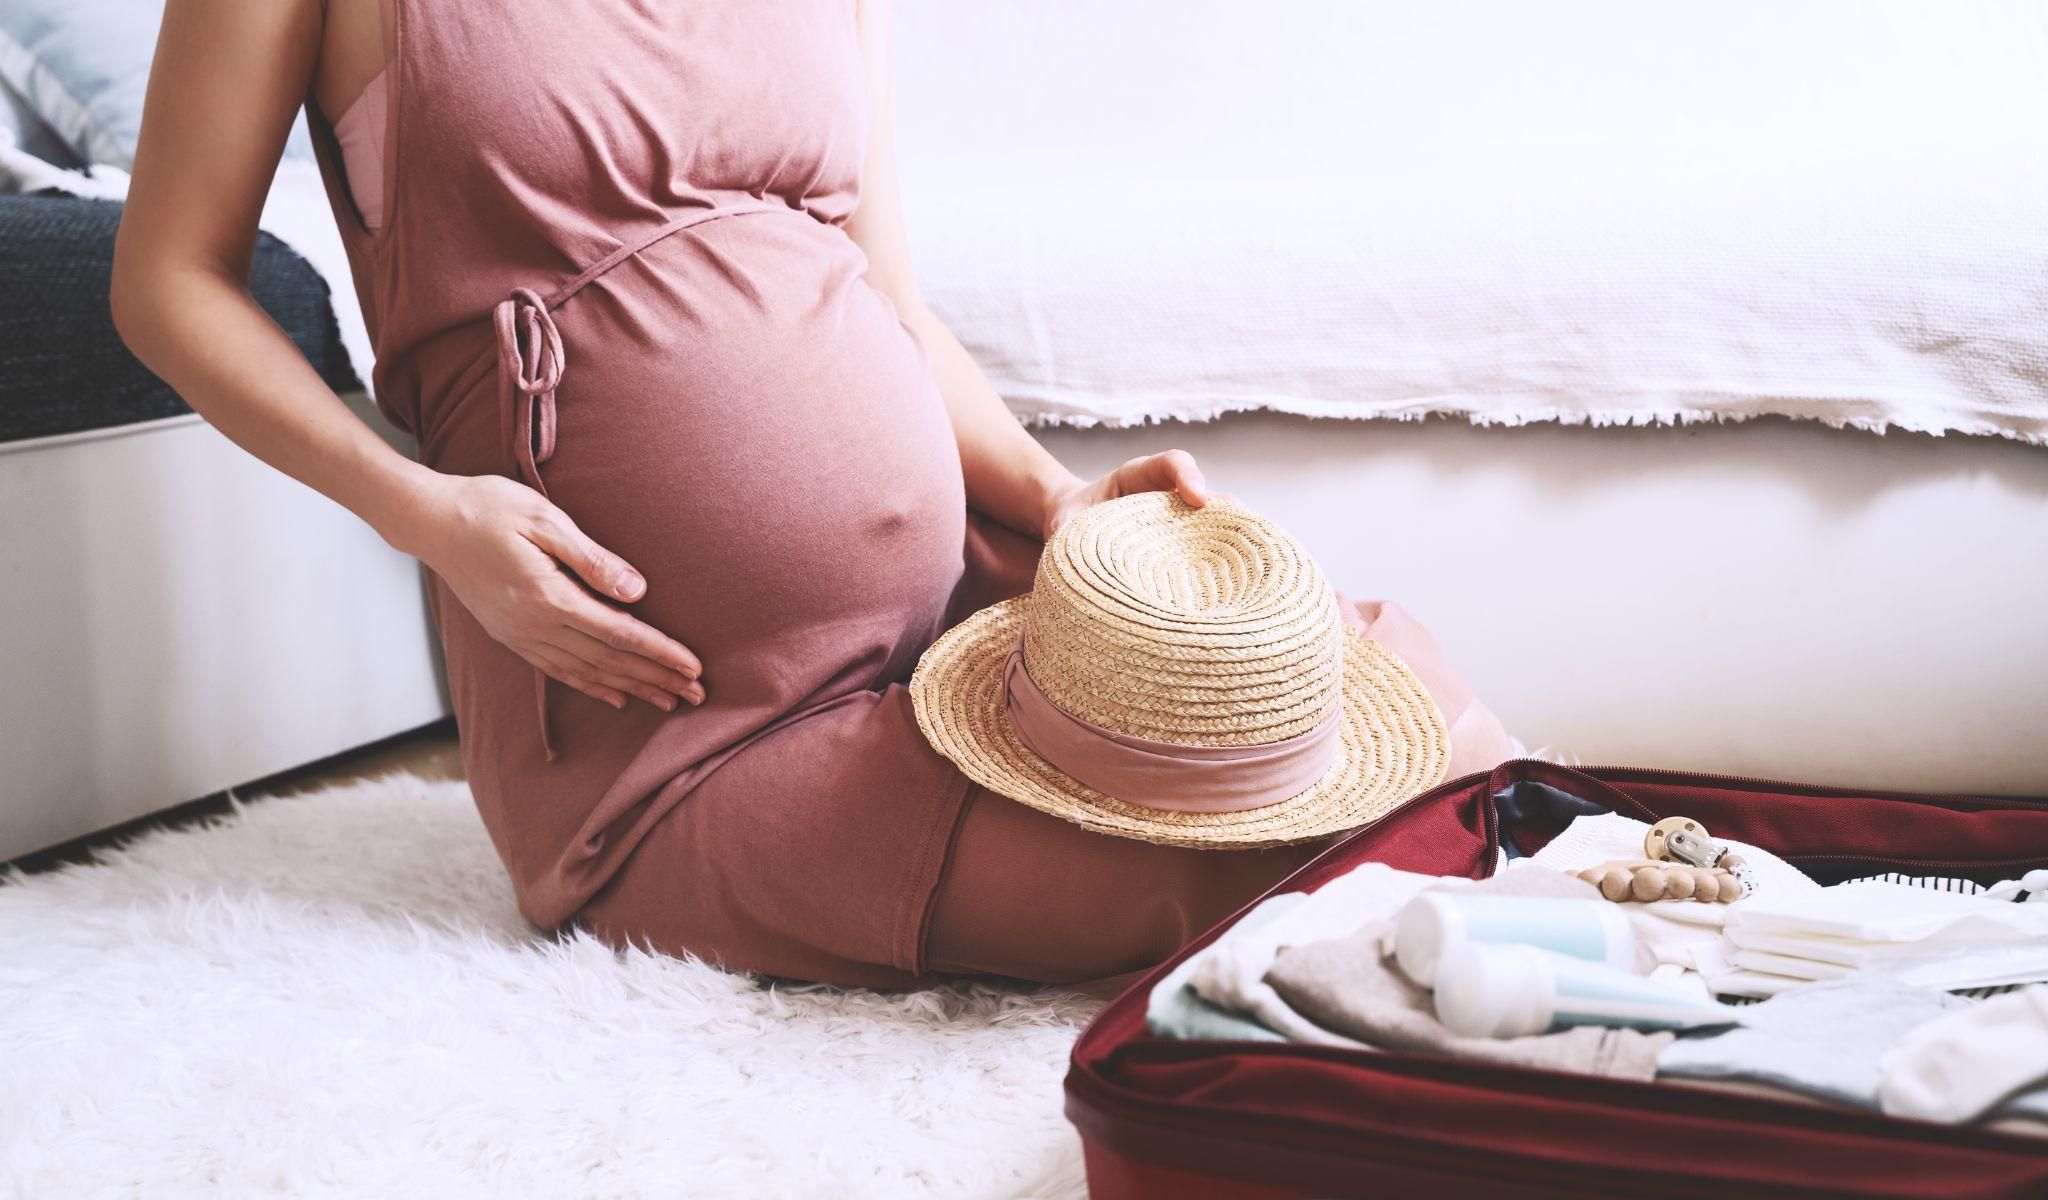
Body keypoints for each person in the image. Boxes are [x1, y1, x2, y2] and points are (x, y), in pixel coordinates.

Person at [112, 0, 1511, 992]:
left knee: (1400, 712)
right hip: (673, 738)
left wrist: (1050, 495)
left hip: (948, 623)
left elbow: (880, 289)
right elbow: (169, 280)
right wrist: (423, 511)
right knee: (1224, 872)